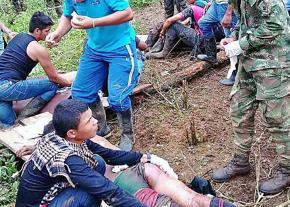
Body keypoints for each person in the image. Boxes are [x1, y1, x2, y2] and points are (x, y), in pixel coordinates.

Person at [16, 99, 235, 207]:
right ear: (72, 132)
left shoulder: (61, 136)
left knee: (100, 163)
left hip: (60, 187)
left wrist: (146, 157)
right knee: (91, 193)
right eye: (90, 121)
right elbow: (109, 193)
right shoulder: (70, 160)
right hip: (42, 204)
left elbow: (108, 154)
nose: (96, 122)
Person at [211, 0, 290, 195]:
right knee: (239, 108)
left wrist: (241, 43)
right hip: (249, 62)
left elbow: (276, 25)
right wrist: (234, 37)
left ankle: (287, 170)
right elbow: (250, 22)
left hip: (273, 63)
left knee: (277, 118)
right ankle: (240, 162)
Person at [46, 0, 140, 151]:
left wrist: (94, 22)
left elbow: (127, 13)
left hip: (120, 47)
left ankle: (127, 134)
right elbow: (68, 15)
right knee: (81, 92)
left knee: (118, 98)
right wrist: (58, 33)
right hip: (94, 49)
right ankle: (101, 128)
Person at [0, 12, 72, 128]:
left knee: (9, 123)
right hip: (7, 86)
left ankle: (12, 135)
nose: (48, 34)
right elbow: (53, 78)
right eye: (47, 31)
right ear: (37, 31)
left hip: (3, 86)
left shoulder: (18, 37)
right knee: (51, 85)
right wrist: (70, 83)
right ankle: (25, 116)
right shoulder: (38, 49)